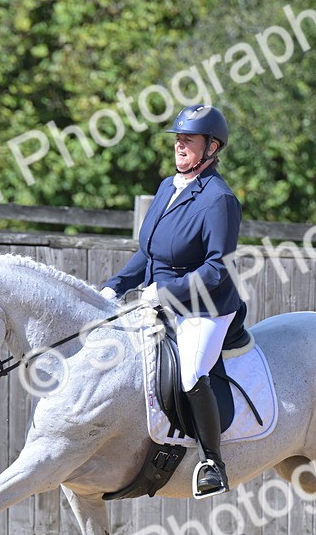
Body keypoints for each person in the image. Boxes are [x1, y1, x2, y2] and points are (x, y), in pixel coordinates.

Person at [101, 104, 242, 497]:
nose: (179, 145)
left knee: (191, 373)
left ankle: (212, 463)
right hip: (155, 300)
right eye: (178, 139)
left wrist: (165, 292)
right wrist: (114, 286)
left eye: (188, 140)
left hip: (204, 306)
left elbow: (217, 269)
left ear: (212, 147)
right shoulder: (168, 186)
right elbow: (148, 253)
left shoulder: (219, 199)